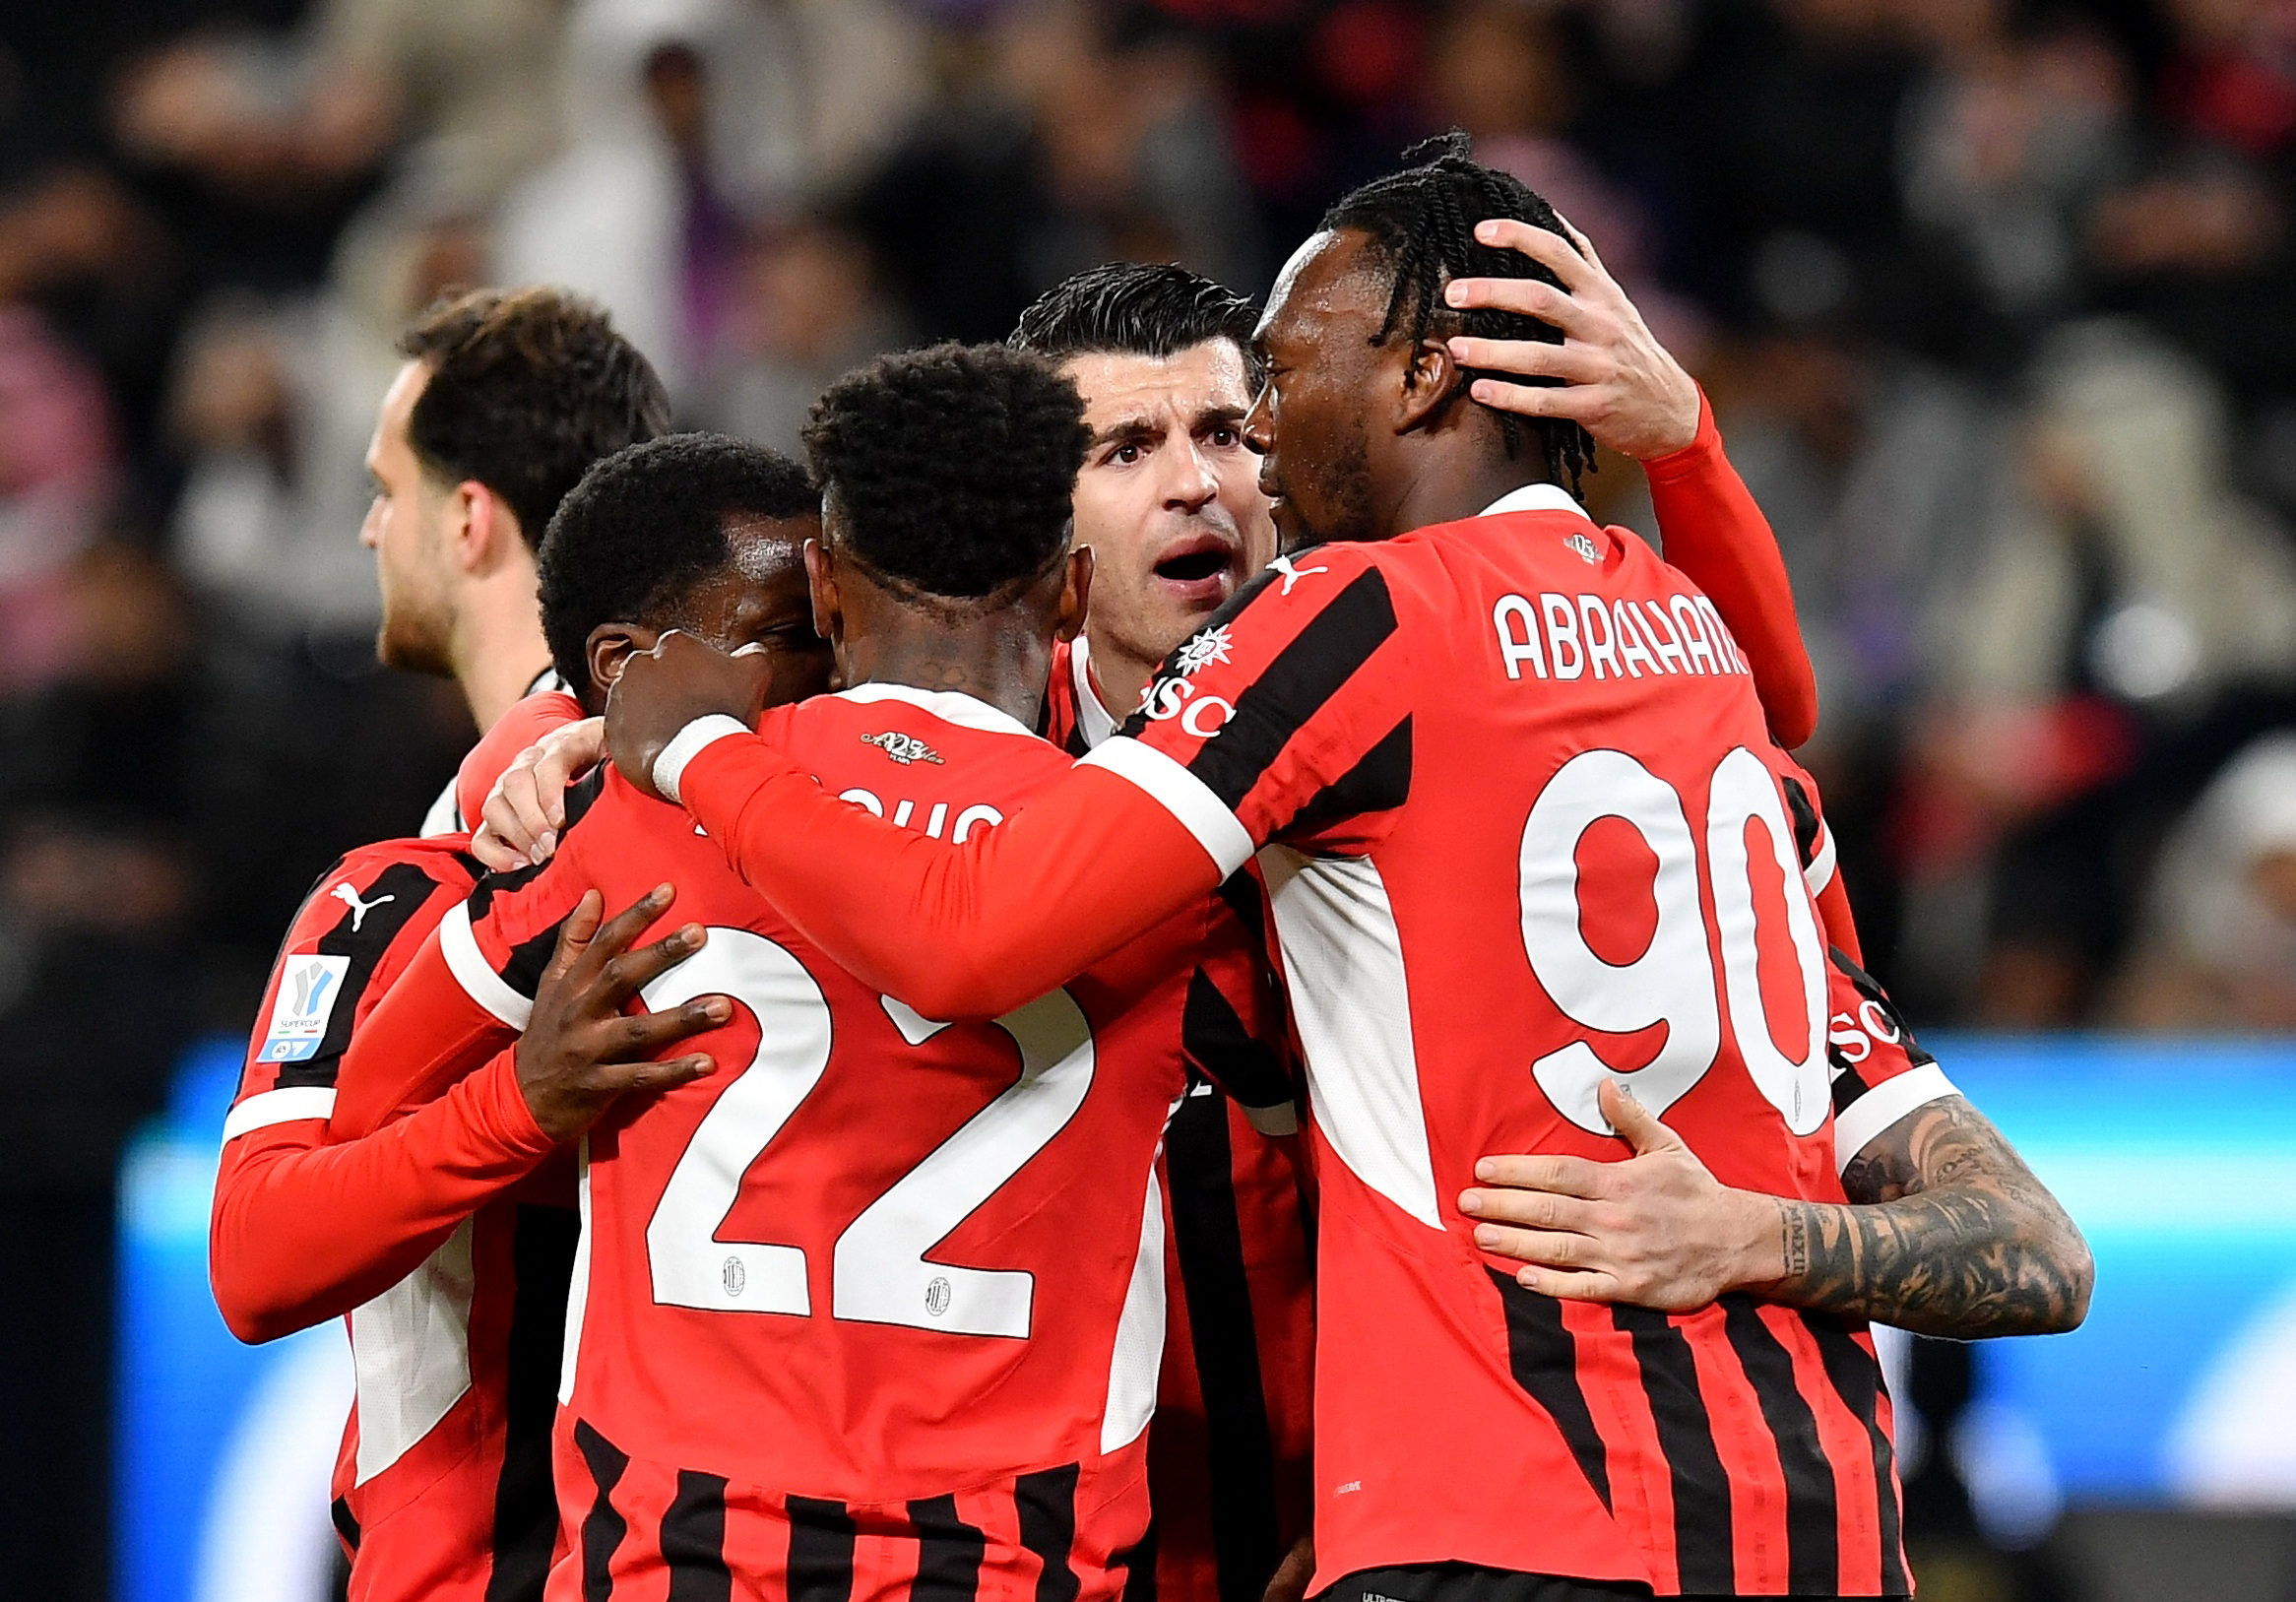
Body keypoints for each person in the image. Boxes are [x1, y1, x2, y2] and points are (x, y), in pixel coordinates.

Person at [601, 138, 2091, 1600]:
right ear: (1044, 543)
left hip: (1454, 1504)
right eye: (1126, 450)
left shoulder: (1364, 642)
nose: (1228, 466)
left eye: (1248, 411)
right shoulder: (1701, 737)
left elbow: (966, 932)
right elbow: (1767, 710)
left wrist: (692, 752)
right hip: (1320, 1512)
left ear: (1421, 381)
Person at [315, 348, 1301, 1599]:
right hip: (1009, 1569)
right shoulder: (1154, 874)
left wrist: (525, 1100)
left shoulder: (630, 809)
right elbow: (1350, 1178)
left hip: (670, 1565)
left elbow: (359, 1121)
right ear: (1070, 590)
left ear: (823, 585)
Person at [209, 438, 833, 1602]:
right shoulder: (399, 900)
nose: (832, 682)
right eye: (794, 638)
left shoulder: (851, 902)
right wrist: (518, 1104)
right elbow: (257, 1258)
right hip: (477, 1574)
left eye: (842, 637)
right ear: (623, 666)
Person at [356, 286, 671, 835]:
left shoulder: (563, 790)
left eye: (387, 491)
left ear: (468, 521)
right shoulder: (674, 742)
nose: (370, 533)